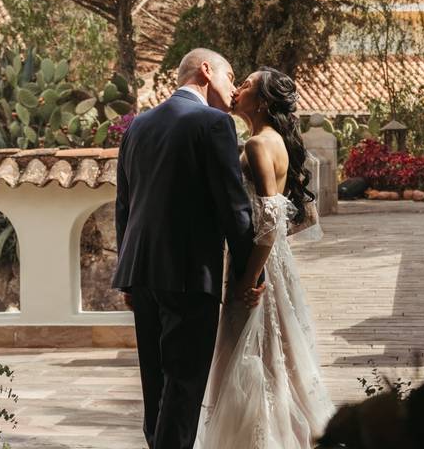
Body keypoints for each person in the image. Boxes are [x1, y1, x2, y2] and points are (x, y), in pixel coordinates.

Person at [112, 48, 264, 449]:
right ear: (206, 70)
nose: (233, 90)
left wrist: (126, 276)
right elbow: (234, 208)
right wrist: (251, 275)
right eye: (230, 77)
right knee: (183, 387)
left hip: (141, 274)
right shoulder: (213, 123)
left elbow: (124, 204)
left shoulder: (138, 126)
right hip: (189, 273)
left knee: (156, 386)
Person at [194, 66, 336, 449]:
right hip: (272, 259)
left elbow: (272, 217)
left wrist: (250, 277)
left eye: (246, 85)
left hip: (257, 263)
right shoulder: (272, 140)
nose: (238, 89)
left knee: (253, 352)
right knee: (275, 354)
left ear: (263, 101)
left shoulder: (258, 145)